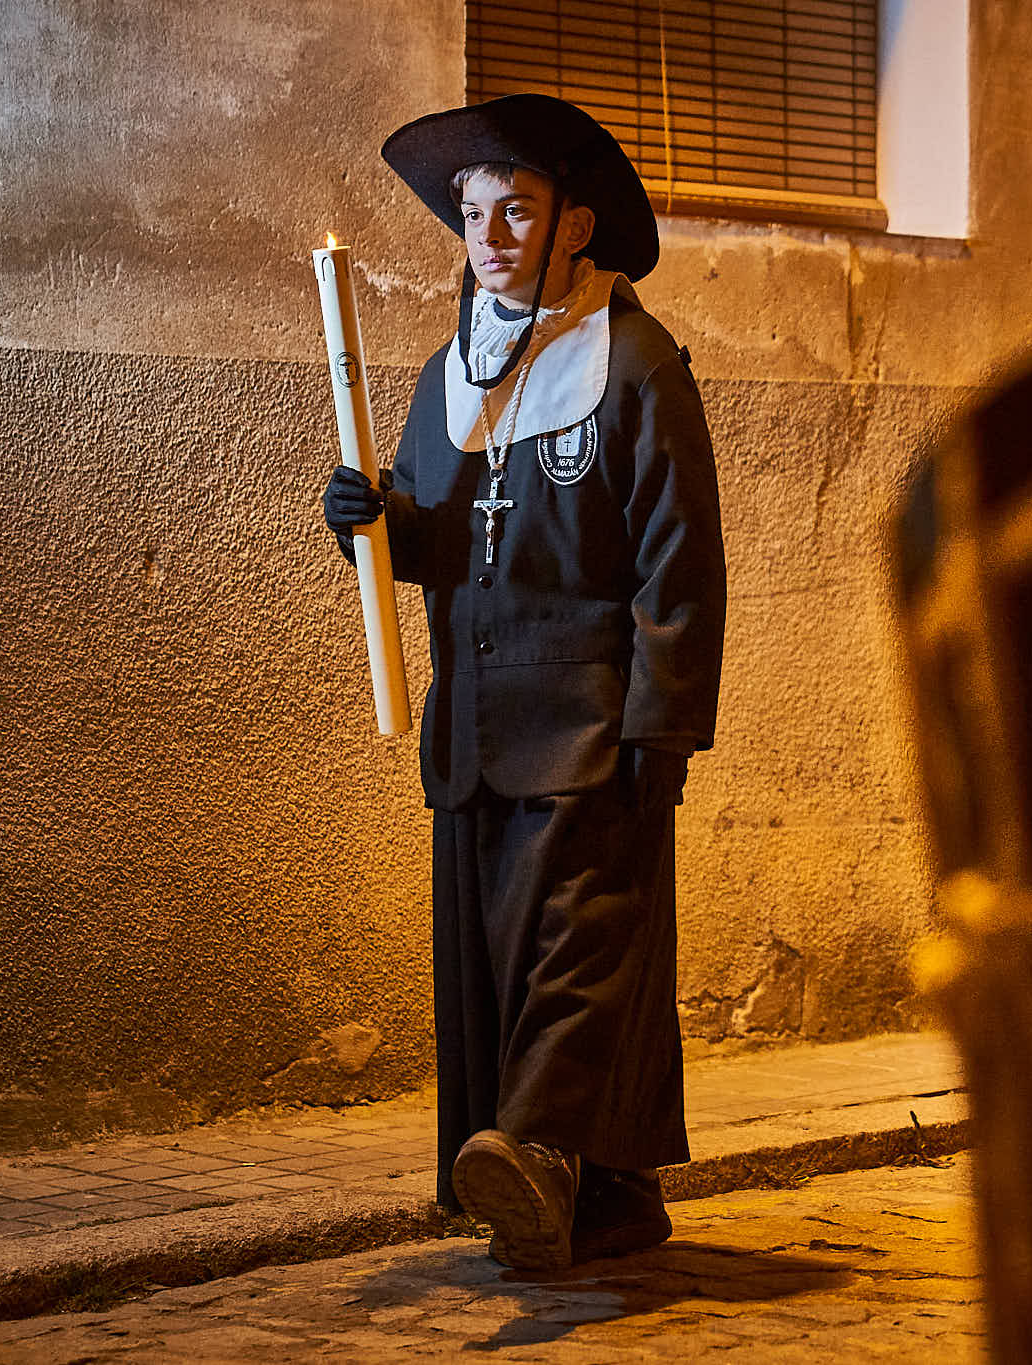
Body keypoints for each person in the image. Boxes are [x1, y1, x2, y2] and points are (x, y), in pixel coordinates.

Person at [319, 93, 726, 1272]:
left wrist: (664, 726)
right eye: (472, 213)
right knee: (500, 959)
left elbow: (679, 563)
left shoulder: (638, 365)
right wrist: (373, 522)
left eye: (516, 210)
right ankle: (602, 1195)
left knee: (577, 950)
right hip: (477, 728)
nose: (488, 235)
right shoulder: (449, 374)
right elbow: (436, 542)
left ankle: (536, 1150)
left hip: (593, 726)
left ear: (574, 226)